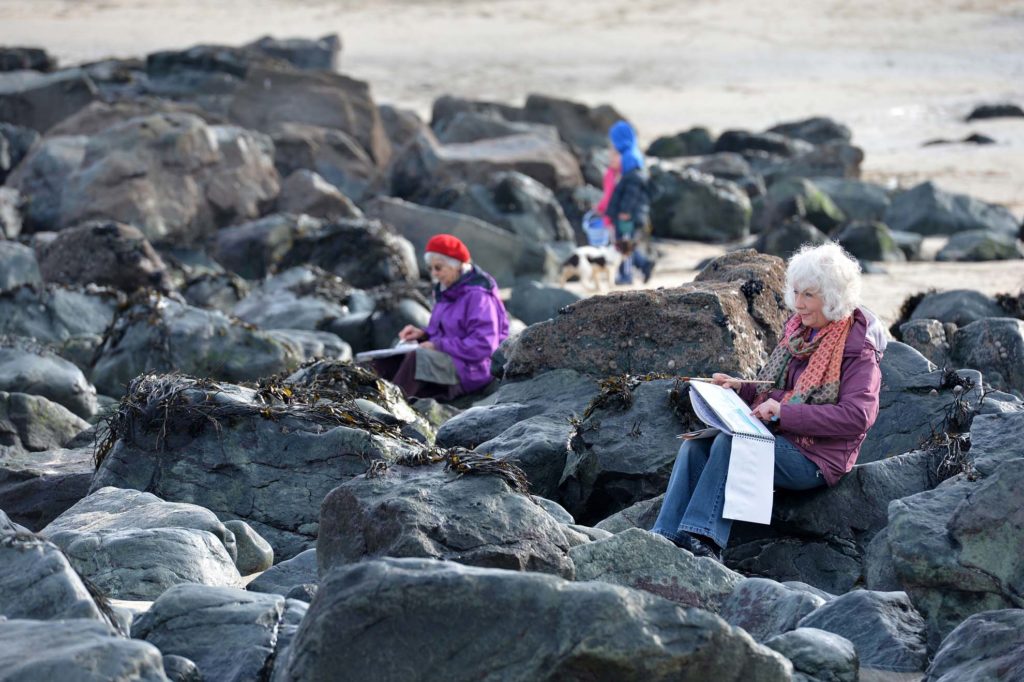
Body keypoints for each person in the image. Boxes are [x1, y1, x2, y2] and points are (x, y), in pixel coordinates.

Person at [651, 243, 887, 560]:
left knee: (732, 444)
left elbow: (857, 417)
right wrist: (739, 388)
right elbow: (773, 390)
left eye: (809, 296)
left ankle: (703, 539)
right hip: (779, 439)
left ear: (832, 298)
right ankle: (665, 534)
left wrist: (784, 414)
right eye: (796, 293)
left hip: (816, 457)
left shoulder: (858, 350)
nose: (798, 304)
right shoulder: (799, 334)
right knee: (695, 445)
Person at [374, 234, 510, 401]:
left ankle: (391, 403)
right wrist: (423, 335)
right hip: (452, 360)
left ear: (458, 266)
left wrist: (437, 345)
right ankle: (378, 400)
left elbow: (484, 346)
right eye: (430, 269)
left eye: (438, 268)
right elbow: (445, 331)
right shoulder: (447, 290)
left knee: (417, 358)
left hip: (474, 368)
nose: (434, 274)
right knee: (391, 356)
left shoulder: (479, 297)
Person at [606, 120, 654, 284]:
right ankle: (643, 264)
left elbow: (632, 192)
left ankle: (626, 275)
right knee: (624, 242)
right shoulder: (630, 158)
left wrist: (625, 211)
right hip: (629, 213)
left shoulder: (631, 160)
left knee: (624, 244)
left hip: (629, 215)